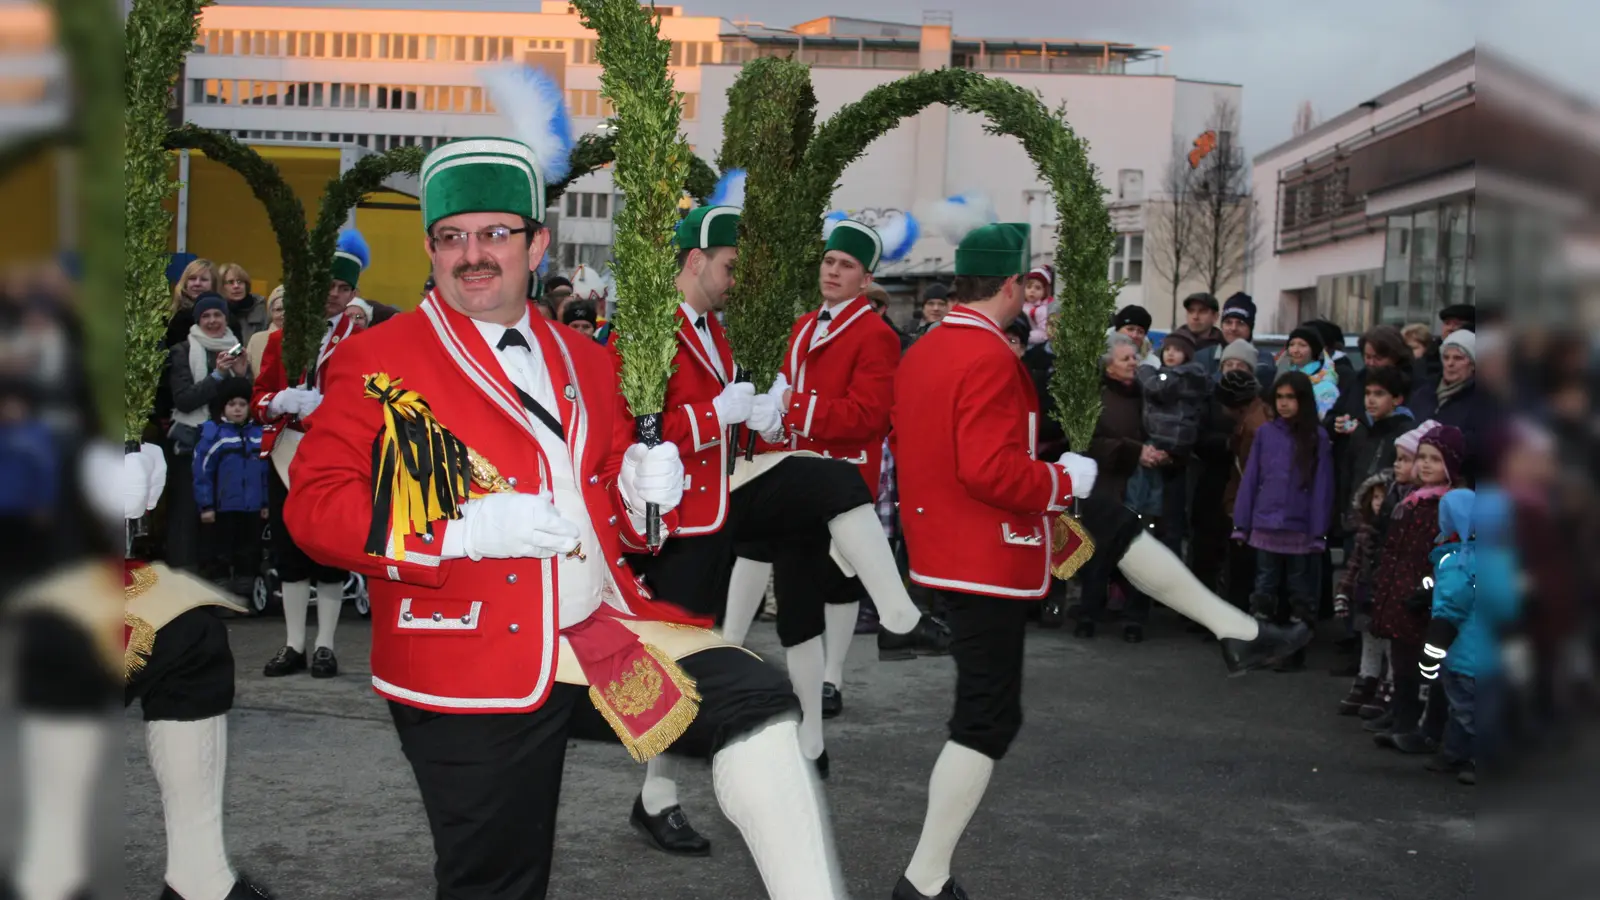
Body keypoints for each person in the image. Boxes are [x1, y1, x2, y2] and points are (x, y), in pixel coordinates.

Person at [283, 135, 849, 900]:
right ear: (431, 247)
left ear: (537, 242)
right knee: (499, 885)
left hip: (599, 630)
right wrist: (460, 531)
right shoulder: (377, 357)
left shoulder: (586, 358)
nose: (472, 254)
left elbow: (611, 510)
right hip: (467, 658)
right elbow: (316, 507)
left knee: (757, 706)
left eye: (495, 234)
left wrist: (647, 497)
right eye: (452, 237)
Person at [890, 222, 1310, 900]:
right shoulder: (989, 356)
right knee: (986, 719)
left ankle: (1238, 634)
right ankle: (923, 879)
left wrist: (1062, 487)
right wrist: (1062, 481)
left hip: (956, 543)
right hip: (987, 549)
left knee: (1109, 524)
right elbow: (988, 471)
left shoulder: (927, 349)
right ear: (1012, 286)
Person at [622, 204, 947, 852]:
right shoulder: (650, 327)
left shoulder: (713, 330)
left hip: (731, 487)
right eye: (730, 266)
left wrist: (759, 419)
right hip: (680, 511)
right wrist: (718, 414)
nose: (737, 279)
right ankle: (654, 797)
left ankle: (899, 618)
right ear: (695, 261)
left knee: (835, 483)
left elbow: (741, 420)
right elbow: (637, 430)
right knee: (680, 653)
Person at [727, 214, 944, 725]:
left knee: (837, 578)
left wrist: (792, 406)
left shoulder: (877, 335)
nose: (833, 271)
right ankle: (729, 654)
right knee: (757, 549)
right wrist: (770, 422)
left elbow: (868, 417)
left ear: (866, 279)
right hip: (787, 465)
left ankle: (833, 678)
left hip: (840, 474)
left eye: (846, 265)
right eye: (829, 261)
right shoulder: (801, 326)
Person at [251, 229, 368, 679]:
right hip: (285, 455)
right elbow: (258, 398)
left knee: (330, 554)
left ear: (353, 294)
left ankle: (325, 645)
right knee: (288, 552)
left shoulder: (360, 344)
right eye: (327, 288)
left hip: (335, 457)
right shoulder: (281, 341)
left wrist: (333, 408)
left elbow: (371, 403)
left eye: (343, 289)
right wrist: (280, 402)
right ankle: (293, 644)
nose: (334, 296)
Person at [1231, 371, 1334, 669]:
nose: (1285, 403)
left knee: (1299, 591)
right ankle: (1262, 645)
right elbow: (1250, 479)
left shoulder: (1317, 437)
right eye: (1280, 397)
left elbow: (1322, 488)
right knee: (1263, 588)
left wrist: (1318, 532)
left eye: (1292, 397)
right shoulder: (1265, 433)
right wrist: (1242, 523)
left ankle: (1293, 648)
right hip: (1265, 524)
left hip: (1299, 528)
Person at [166, 292, 250, 572]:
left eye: (218, 315)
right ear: (198, 320)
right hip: (192, 442)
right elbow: (184, 399)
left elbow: (244, 403)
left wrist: (240, 375)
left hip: (229, 448)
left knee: (223, 520)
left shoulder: (238, 349)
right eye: (206, 316)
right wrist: (217, 376)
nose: (212, 321)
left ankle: (220, 577)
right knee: (187, 518)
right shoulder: (182, 350)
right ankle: (184, 581)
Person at [192, 382, 269, 597]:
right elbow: (202, 472)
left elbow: (265, 472)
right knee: (220, 553)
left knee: (249, 552)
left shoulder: (258, 435)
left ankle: (245, 596)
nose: (237, 409)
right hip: (222, 508)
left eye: (242, 404)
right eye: (232, 404)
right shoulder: (214, 435)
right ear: (222, 408)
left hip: (251, 508)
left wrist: (265, 502)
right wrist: (206, 505)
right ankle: (221, 597)